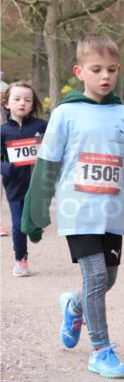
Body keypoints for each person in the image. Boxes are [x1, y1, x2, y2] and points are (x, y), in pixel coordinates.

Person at [22, 35, 124, 378]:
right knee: (97, 276)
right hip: (77, 212)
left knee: (106, 280)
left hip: (110, 215)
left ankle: (74, 305)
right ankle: (100, 350)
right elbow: (47, 166)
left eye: (112, 70)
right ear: (79, 72)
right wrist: (35, 214)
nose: (105, 76)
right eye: (96, 69)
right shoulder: (65, 114)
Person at [1, 82, 47, 276]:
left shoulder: (41, 126)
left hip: (38, 183)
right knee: (18, 224)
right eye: (17, 99)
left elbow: (55, 146)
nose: (22, 103)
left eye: (27, 100)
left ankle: (35, 228)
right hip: (15, 185)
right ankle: (21, 260)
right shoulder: (3, 131)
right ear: (6, 104)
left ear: (32, 104)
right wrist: (8, 169)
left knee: (35, 221)